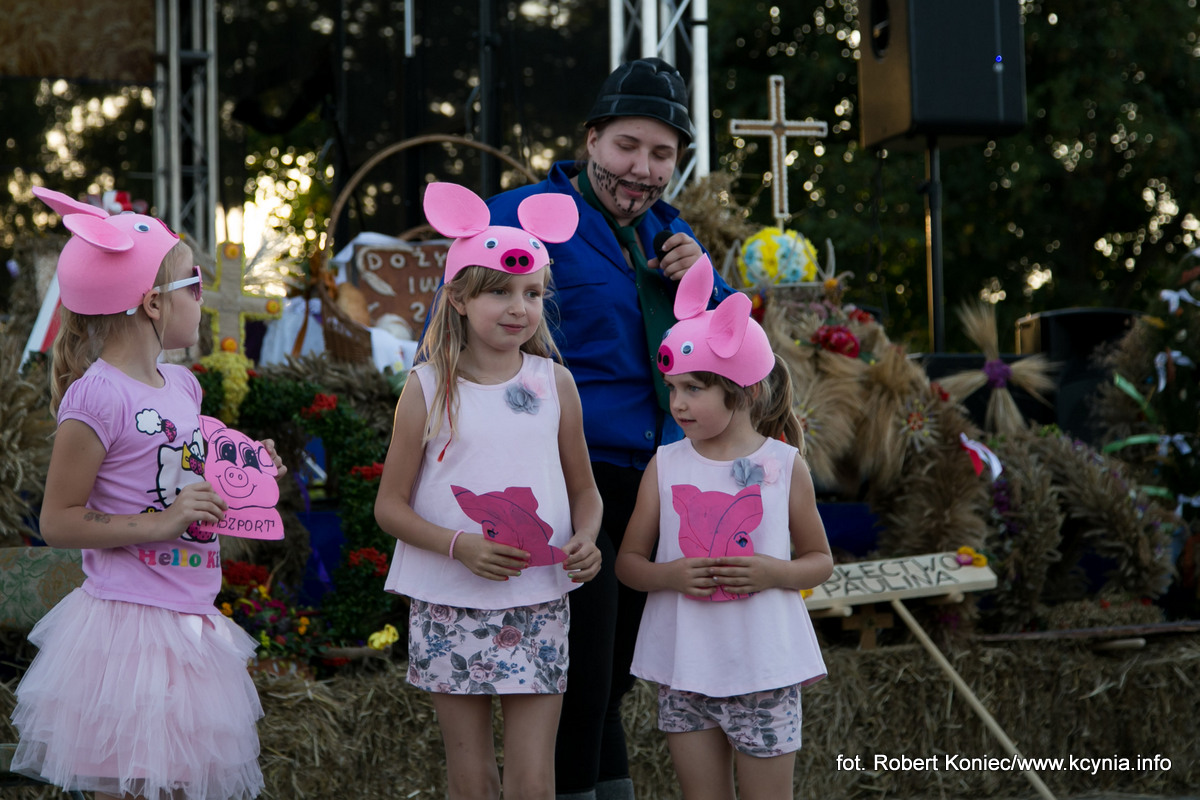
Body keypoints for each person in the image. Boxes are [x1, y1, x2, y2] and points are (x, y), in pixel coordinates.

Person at [486, 56, 736, 800]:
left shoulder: (671, 236)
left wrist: (706, 283)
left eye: (663, 154)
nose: (643, 168)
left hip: (658, 478)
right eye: (628, 146)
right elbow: (466, 325)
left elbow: (732, 358)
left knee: (619, 668)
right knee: (582, 668)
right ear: (591, 140)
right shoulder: (525, 214)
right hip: (566, 473)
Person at [11, 187, 285, 800]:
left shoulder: (183, 386)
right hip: (123, 637)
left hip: (192, 629)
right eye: (194, 284)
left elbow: (191, 482)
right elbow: (58, 521)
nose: (203, 298)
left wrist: (248, 472)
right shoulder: (96, 396)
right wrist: (157, 525)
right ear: (153, 304)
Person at [374, 181, 603, 800]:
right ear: (457, 297)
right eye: (499, 291)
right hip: (449, 597)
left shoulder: (556, 384)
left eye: (531, 293)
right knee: (470, 777)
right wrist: (459, 546)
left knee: (534, 776)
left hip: (539, 595)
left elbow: (585, 489)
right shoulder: (425, 389)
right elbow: (389, 506)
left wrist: (586, 538)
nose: (517, 307)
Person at [615, 258, 833, 800]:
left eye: (693, 388)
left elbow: (820, 561)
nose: (677, 402)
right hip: (686, 667)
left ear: (743, 390)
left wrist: (771, 572)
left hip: (764, 668)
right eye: (672, 387)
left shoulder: (785, 467)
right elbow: (629, 565)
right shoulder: (664, 466)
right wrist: (670, 576)